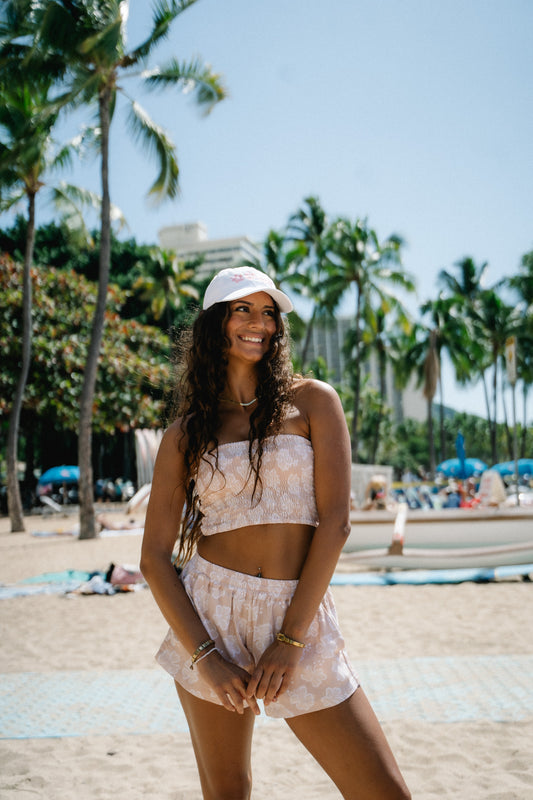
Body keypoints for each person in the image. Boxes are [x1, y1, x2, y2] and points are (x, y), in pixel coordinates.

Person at [140, 267, 411, 800]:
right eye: (243, 310)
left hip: (298, 615)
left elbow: (336, 523)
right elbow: (153, 557)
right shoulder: (186, 433)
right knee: (228, 794)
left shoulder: (312, 402)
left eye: (268, 313)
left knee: (383, 792)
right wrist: (204, 657)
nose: (258, 323)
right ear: (216, 323)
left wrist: (291, 640)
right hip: (210, 615)